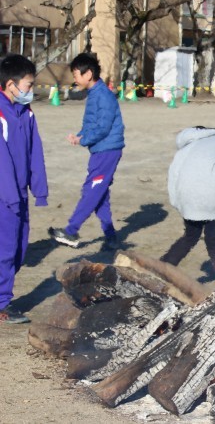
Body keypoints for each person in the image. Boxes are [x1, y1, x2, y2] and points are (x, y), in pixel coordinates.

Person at [49, 53, 125, 250]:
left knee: (92, 190)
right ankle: (111, 237)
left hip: (108, 151)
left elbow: (103, 128)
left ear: (88, 74)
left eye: (76, 75)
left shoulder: (104, 96)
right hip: (100, 150)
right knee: (100, 193)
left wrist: (84, 139)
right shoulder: (94, 94)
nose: (74, 79)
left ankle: (72, 230)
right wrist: (80, 136)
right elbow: (90, 124)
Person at [0, 55, 48, 323]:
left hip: (19, 195)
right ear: (11, 85)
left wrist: (39, 189)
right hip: (4, 196)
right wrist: (9, 196)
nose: (31, 90)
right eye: (29, 85)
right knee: (5, 250)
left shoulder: (27, 113)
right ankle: (1, 304)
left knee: (19, 248)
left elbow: (35, 152)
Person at [160, 126, 215, 274]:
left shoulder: (187, 146)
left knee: (190, 236)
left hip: (186, 195)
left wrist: (177, 201)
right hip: (211, 195)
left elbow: (173, 174)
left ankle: (161, 268)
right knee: (213, 240)